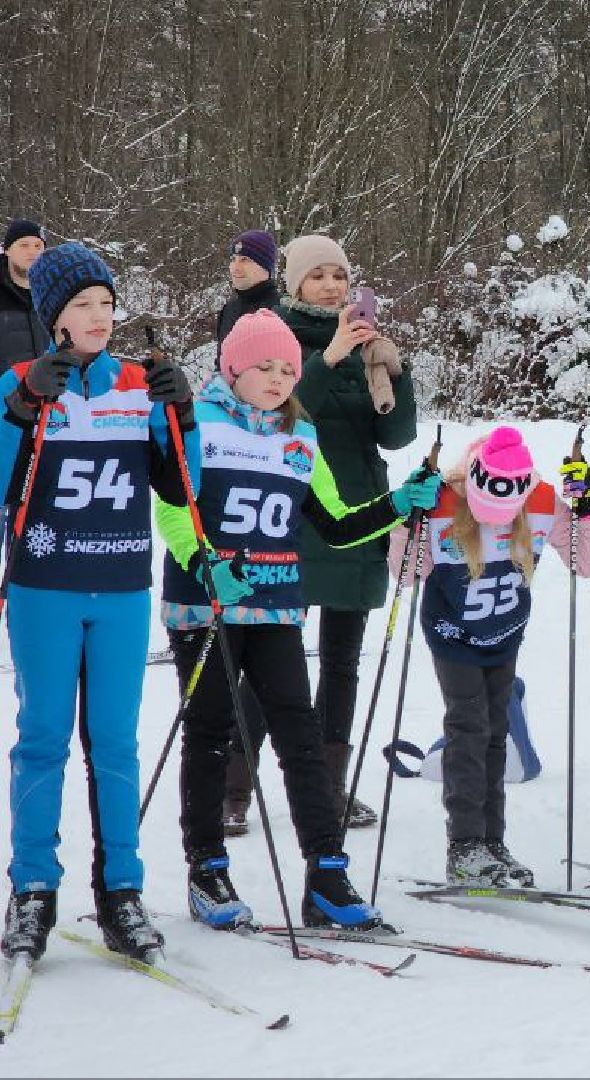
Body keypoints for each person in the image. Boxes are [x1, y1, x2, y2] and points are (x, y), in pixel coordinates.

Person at [157, 310, 412, 932]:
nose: (275, 380)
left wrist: (402, 503)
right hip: (208, 602)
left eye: (286, 370)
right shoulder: (201, 421)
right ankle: (207, 869)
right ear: (232, 368)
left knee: (300, 734)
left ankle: (326, 872)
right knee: (212, 731)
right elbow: (171, 504)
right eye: (263, 368)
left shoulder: (301, 436)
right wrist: (202, 559)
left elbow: (336, 522)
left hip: (276, 604)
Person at [0, 242, 198, 962]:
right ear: (53, 316)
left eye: (107, 304)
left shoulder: (137, 385)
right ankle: (32, 891)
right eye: (83, 305)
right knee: (43, 739)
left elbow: (180, 488)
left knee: (115, 746)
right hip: (42, 587)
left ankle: (121, 893)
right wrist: (22, 411)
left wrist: (183, 414)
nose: (99, 317)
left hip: (119, 587)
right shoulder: (19, 382)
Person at [221, 234, 417, 835]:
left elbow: (397, 436)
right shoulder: (273, 333)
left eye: (340, 275)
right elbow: (283, 407)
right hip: (294, 509)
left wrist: (394, 370)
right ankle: (233, 785)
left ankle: (329, 786)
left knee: (342, 660)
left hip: (359, 509)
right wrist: (329, 357)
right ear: (295, 283)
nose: (331, 286)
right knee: (268, 654)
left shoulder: (367, 346)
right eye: (318, 276)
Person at [394, 426, 590, 885]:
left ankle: (491, 843)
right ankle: (465, 846)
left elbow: (586, 563)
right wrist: (406, 517)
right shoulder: (444, 502)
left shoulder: (543, 500)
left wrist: (588, 508)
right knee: (468, 728)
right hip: (453, 636)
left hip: (504, 636)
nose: (496, 522)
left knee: (496, 735)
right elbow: (406, 574)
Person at [215, 229, 280, 345]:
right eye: (233, 259)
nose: (235, 268)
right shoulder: (229, 310)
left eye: (244, 260)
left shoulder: (283, 311)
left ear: (265, 266)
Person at [0, 219, 48, 366]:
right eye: (24, 245)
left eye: (38, 246)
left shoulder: (54, 293)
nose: (32, 251)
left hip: (50, 387)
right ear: (7, 250)